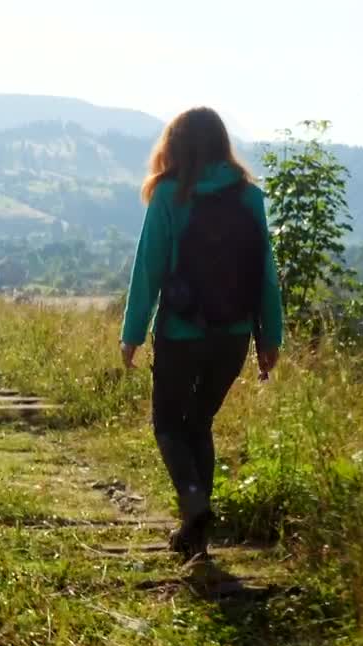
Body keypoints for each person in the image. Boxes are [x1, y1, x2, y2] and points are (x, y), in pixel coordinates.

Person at [119, 107, 284, 561]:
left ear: (174, 145)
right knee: (200, 423)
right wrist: (271, 338)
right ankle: (196, 535)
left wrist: (132, 333)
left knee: (170, 425)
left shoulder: (169, 194)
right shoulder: (249, 197)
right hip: (232, 335)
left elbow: (148, 269)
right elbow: (266, 274)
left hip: (181, 332)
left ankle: (194, 504)